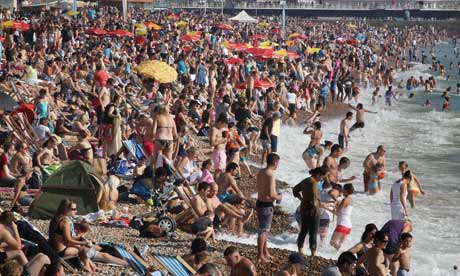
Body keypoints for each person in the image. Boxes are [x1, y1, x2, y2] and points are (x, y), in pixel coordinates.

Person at [48, 199, 96, 273]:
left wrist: (81, 238)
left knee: (81, 245)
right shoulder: (64, 222)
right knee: (82, 248)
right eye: (73, 209)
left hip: (52, 248)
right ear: (66, 209)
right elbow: (68, 240)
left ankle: (91, 266)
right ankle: (87, 266)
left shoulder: (56, 218)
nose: (76, 211)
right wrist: (84, 243)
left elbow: (65, 237)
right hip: (61, 252)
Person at [0, 211, 51, 276]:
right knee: (43, 258)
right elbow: (18, 246)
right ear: (9, 225)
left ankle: (27, 271)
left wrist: (8, 244)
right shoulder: (3, 230)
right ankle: (27, 273)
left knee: (20, 253)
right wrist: (15, 229)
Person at [293, 166, 327, 256]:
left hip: (304, 209)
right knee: (313, 232)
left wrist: (302, 199)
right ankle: (313, 253)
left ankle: (300, 250)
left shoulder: (305, 180)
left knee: (303, 230)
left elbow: (295, 190)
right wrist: (322, 204)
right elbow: (315, 200)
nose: (322, 179)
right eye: (322, 177)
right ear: (319, 174)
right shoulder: (314, 183)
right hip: (314, 211)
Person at [256, 153, 282, 263]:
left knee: (264, 230)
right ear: (275, 162)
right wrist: (279, 196)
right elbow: (271, 194)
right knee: (264, 231)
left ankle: (265, 251)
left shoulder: (261, 171)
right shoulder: (270, 174)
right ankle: (260, 255)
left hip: (259, 202)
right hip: (266, 205)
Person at [330, 183, 354, 250]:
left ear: (346, 190)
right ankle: (337, 256)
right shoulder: (351, 200)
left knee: (332, 242)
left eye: (343, 189)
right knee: (340, 244)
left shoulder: (345, 199)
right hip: (348, 226)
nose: (342, 191)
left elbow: (337, 213)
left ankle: (341, 253)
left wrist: (325, 207)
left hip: (342, 224)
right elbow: (344, 210)